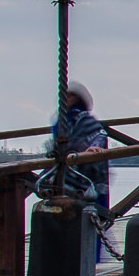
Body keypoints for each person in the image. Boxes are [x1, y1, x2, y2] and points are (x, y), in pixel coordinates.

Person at [50, 81, 109, 217]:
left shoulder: (84, 119)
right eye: (65, 96)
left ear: (78, 99)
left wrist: (94, 147)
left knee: (84, 211)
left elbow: (99, 134)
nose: (66, 99)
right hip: (66, 170)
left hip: (84, 173)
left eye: (70, 96)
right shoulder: (62, 120)